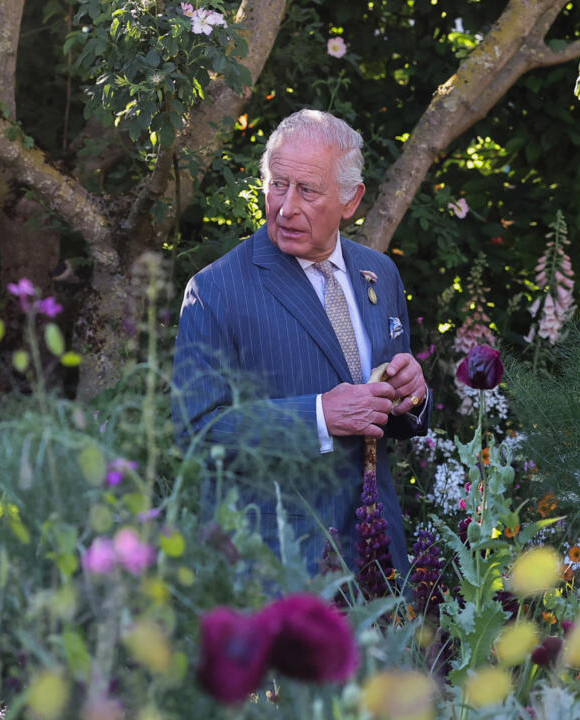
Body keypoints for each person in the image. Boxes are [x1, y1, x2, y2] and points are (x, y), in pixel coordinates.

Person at [171, 109, 429, 577]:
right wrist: (318, 417)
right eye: (277, 185)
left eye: (307, 190)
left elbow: (387, 406)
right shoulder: (216, 290)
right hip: (277, 564)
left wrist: (412, 396)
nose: (286, 207)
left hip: (378, 556)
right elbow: (197, 432)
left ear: (351, 201)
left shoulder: (380, 273)